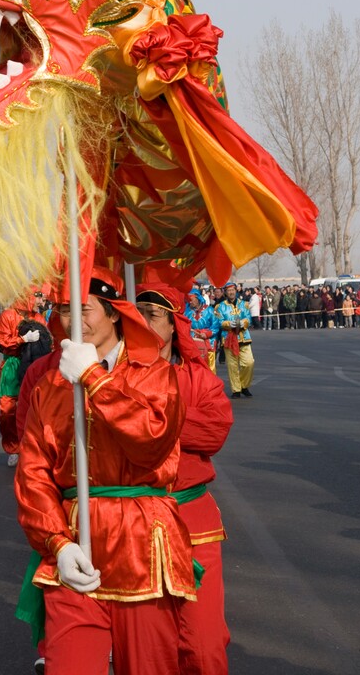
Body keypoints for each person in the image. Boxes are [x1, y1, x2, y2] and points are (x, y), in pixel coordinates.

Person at [15, 268, 197, 675]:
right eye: (64, 310)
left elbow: (151, 440)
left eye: (84, 309)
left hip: (143, 547)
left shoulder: (155, 374)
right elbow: (33, 474)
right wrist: (56, 544)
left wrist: (93, 377)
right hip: (76, 547)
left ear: (114, 313)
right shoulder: (48, 386)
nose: (73, 320)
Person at [137, 282, 234, 675]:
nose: (142, 322)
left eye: (153, 314)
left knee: (204, 643)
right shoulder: (107, 376)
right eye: (136, 312)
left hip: (193, 521)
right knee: (146, 650)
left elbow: (214, 432)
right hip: (130, 524)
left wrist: (145, 419)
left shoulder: (200, 379)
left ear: (174, 325)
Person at [0, 293, 45, 467]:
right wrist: (22, 339)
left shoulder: (38, 316)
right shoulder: (8, 315)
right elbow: (3, 341)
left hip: (34, 364)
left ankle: (32, 447)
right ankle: (13, 447)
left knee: (35, 408)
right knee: (7, 410)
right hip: (12, 364)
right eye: (39, 297)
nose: (42, 301)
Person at [214, 282, 253, 399]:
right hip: (228, 339)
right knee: (232, 366)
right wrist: (228, 324)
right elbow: (219, 322)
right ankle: (236, 389)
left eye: (233, 290)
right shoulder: (220, 307)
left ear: (236, 291)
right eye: (228, 290)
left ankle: (244, 385)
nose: (231, 292)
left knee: (249, 363)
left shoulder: (244, 304)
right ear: (225, 292)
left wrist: (243, 323)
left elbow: (249, 318)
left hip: (243, 337)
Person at [184, 287, 221, 372]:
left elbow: (216, 326)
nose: (190, 301)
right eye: (188, 299)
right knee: (194, 368)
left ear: (198, 298)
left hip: (208, 342)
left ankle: (211, 385)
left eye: (192, 299)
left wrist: (206, 334)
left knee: (209, 368)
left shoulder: (210, 310)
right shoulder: (187, 312)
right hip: (193, 343)